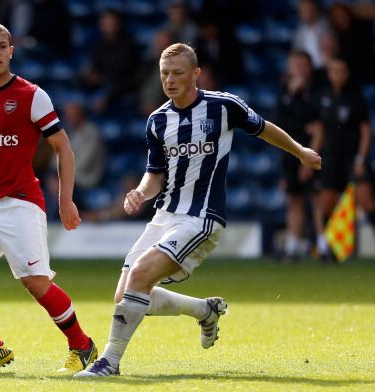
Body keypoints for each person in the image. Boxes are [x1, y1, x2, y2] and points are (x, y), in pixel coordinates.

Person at [75, 43, 322, 377]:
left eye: (178, 73)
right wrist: (140, 193)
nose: (170, 80)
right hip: (164, 215)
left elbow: (264, 128)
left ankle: (110, 362)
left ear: (195, 74)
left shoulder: (223, 106)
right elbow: (155, 175)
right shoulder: (158, 120)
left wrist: (300, 151)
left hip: (202, 218)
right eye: (165, 74)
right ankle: (204, 309)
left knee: (140, 275)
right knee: (125, 294)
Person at [0, 22, 97, 375]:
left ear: (11, 51)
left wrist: (65, 201)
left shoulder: (31, 95)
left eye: (3, 46)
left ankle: (82, 345)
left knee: (36, 283)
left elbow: (63, 148)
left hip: (21, 201)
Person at [315, 57, 375, 262]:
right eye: (334, 71)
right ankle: (330, 249)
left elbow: (365, 130)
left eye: (341, 71)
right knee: (327, 202)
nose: (337, 75)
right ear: (329, 74)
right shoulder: (323, 97)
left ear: (347, 74)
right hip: (331, 156)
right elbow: (320, 129)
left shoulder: (355, 98)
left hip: (353, 157)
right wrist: (311, 154)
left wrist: (361, 158)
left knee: (366, 199)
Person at [274, 51, 324, 261]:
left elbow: (319, 126)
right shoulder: (285, 91)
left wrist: (310, 155)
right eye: (294, 65)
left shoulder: (316, 91)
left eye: (302, 65)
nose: (298, 69)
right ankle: (293, 246)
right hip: (289, 153)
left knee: (317, 198)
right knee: (294, 199)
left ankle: (324, 245)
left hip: (311, 151)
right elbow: (278, 123)